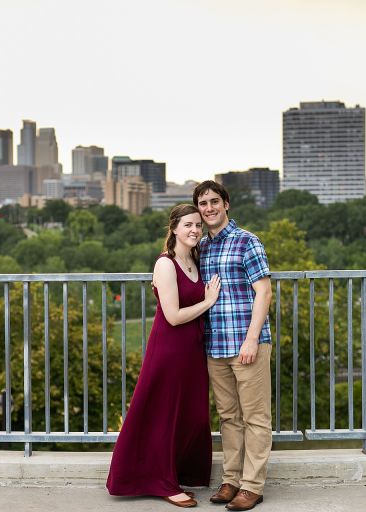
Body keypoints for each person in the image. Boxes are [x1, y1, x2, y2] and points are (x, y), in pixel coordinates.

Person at [107, 204, 222, 508]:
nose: (195, 230)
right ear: (173, 228)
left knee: (190, 414)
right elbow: (173, 316)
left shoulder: (195, 259)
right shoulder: (165, 264)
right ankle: (162, 482)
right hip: (169, 349)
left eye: (198, 225)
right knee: (163, 414)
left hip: (193, 349)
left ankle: (177, 473)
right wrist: (208, 301)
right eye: (188, 225)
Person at [193, 181, 273, 512]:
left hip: (247, 344)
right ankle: (231, 480)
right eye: (203, 203)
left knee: (255, 417)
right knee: (228, 417)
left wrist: (252, 338)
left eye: (214, 201)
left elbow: (264, 291)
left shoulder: (246, 241)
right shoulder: (201, 247)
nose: (209, 208)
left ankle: (252, 486)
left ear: (226, 204)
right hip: (215, 346)